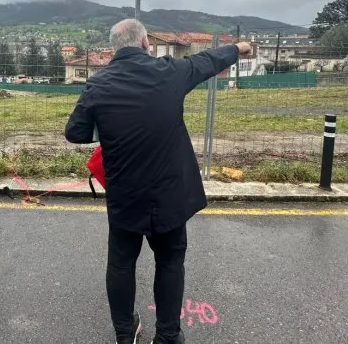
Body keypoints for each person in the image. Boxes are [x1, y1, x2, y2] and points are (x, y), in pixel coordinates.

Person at [64, 19, 252, 344]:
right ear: (145, 44)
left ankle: (125, 334)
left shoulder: (98, 84)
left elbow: (75, 132)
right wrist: (238, 48)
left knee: (121, 264)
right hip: (170, 195)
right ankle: (168, 336)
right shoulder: (170, 72)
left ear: (113, 49)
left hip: (125, 195)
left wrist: (111, 127)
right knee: (170, 262)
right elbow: (207, 61)